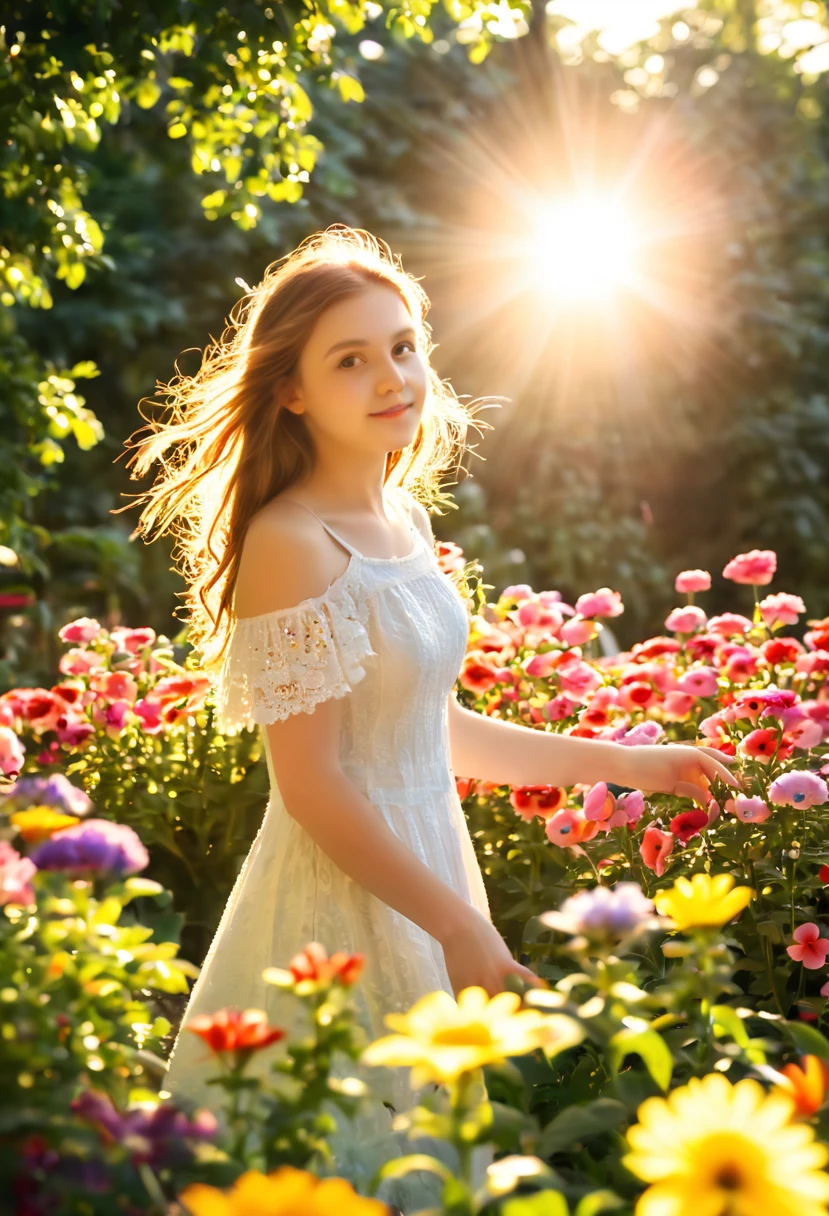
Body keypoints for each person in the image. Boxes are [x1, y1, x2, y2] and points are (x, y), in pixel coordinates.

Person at [119, 225, 738, 1211]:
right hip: (343, 901)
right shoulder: (291, 540)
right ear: (291, 390)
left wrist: (634, 763)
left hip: (426, 863)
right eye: (350, 360)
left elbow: (429, 727)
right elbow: (312, 780)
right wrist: (453, 923)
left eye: (402, 346)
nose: (389, 377)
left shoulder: (401, 520)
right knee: (347, 1159)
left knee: (429, 1159)